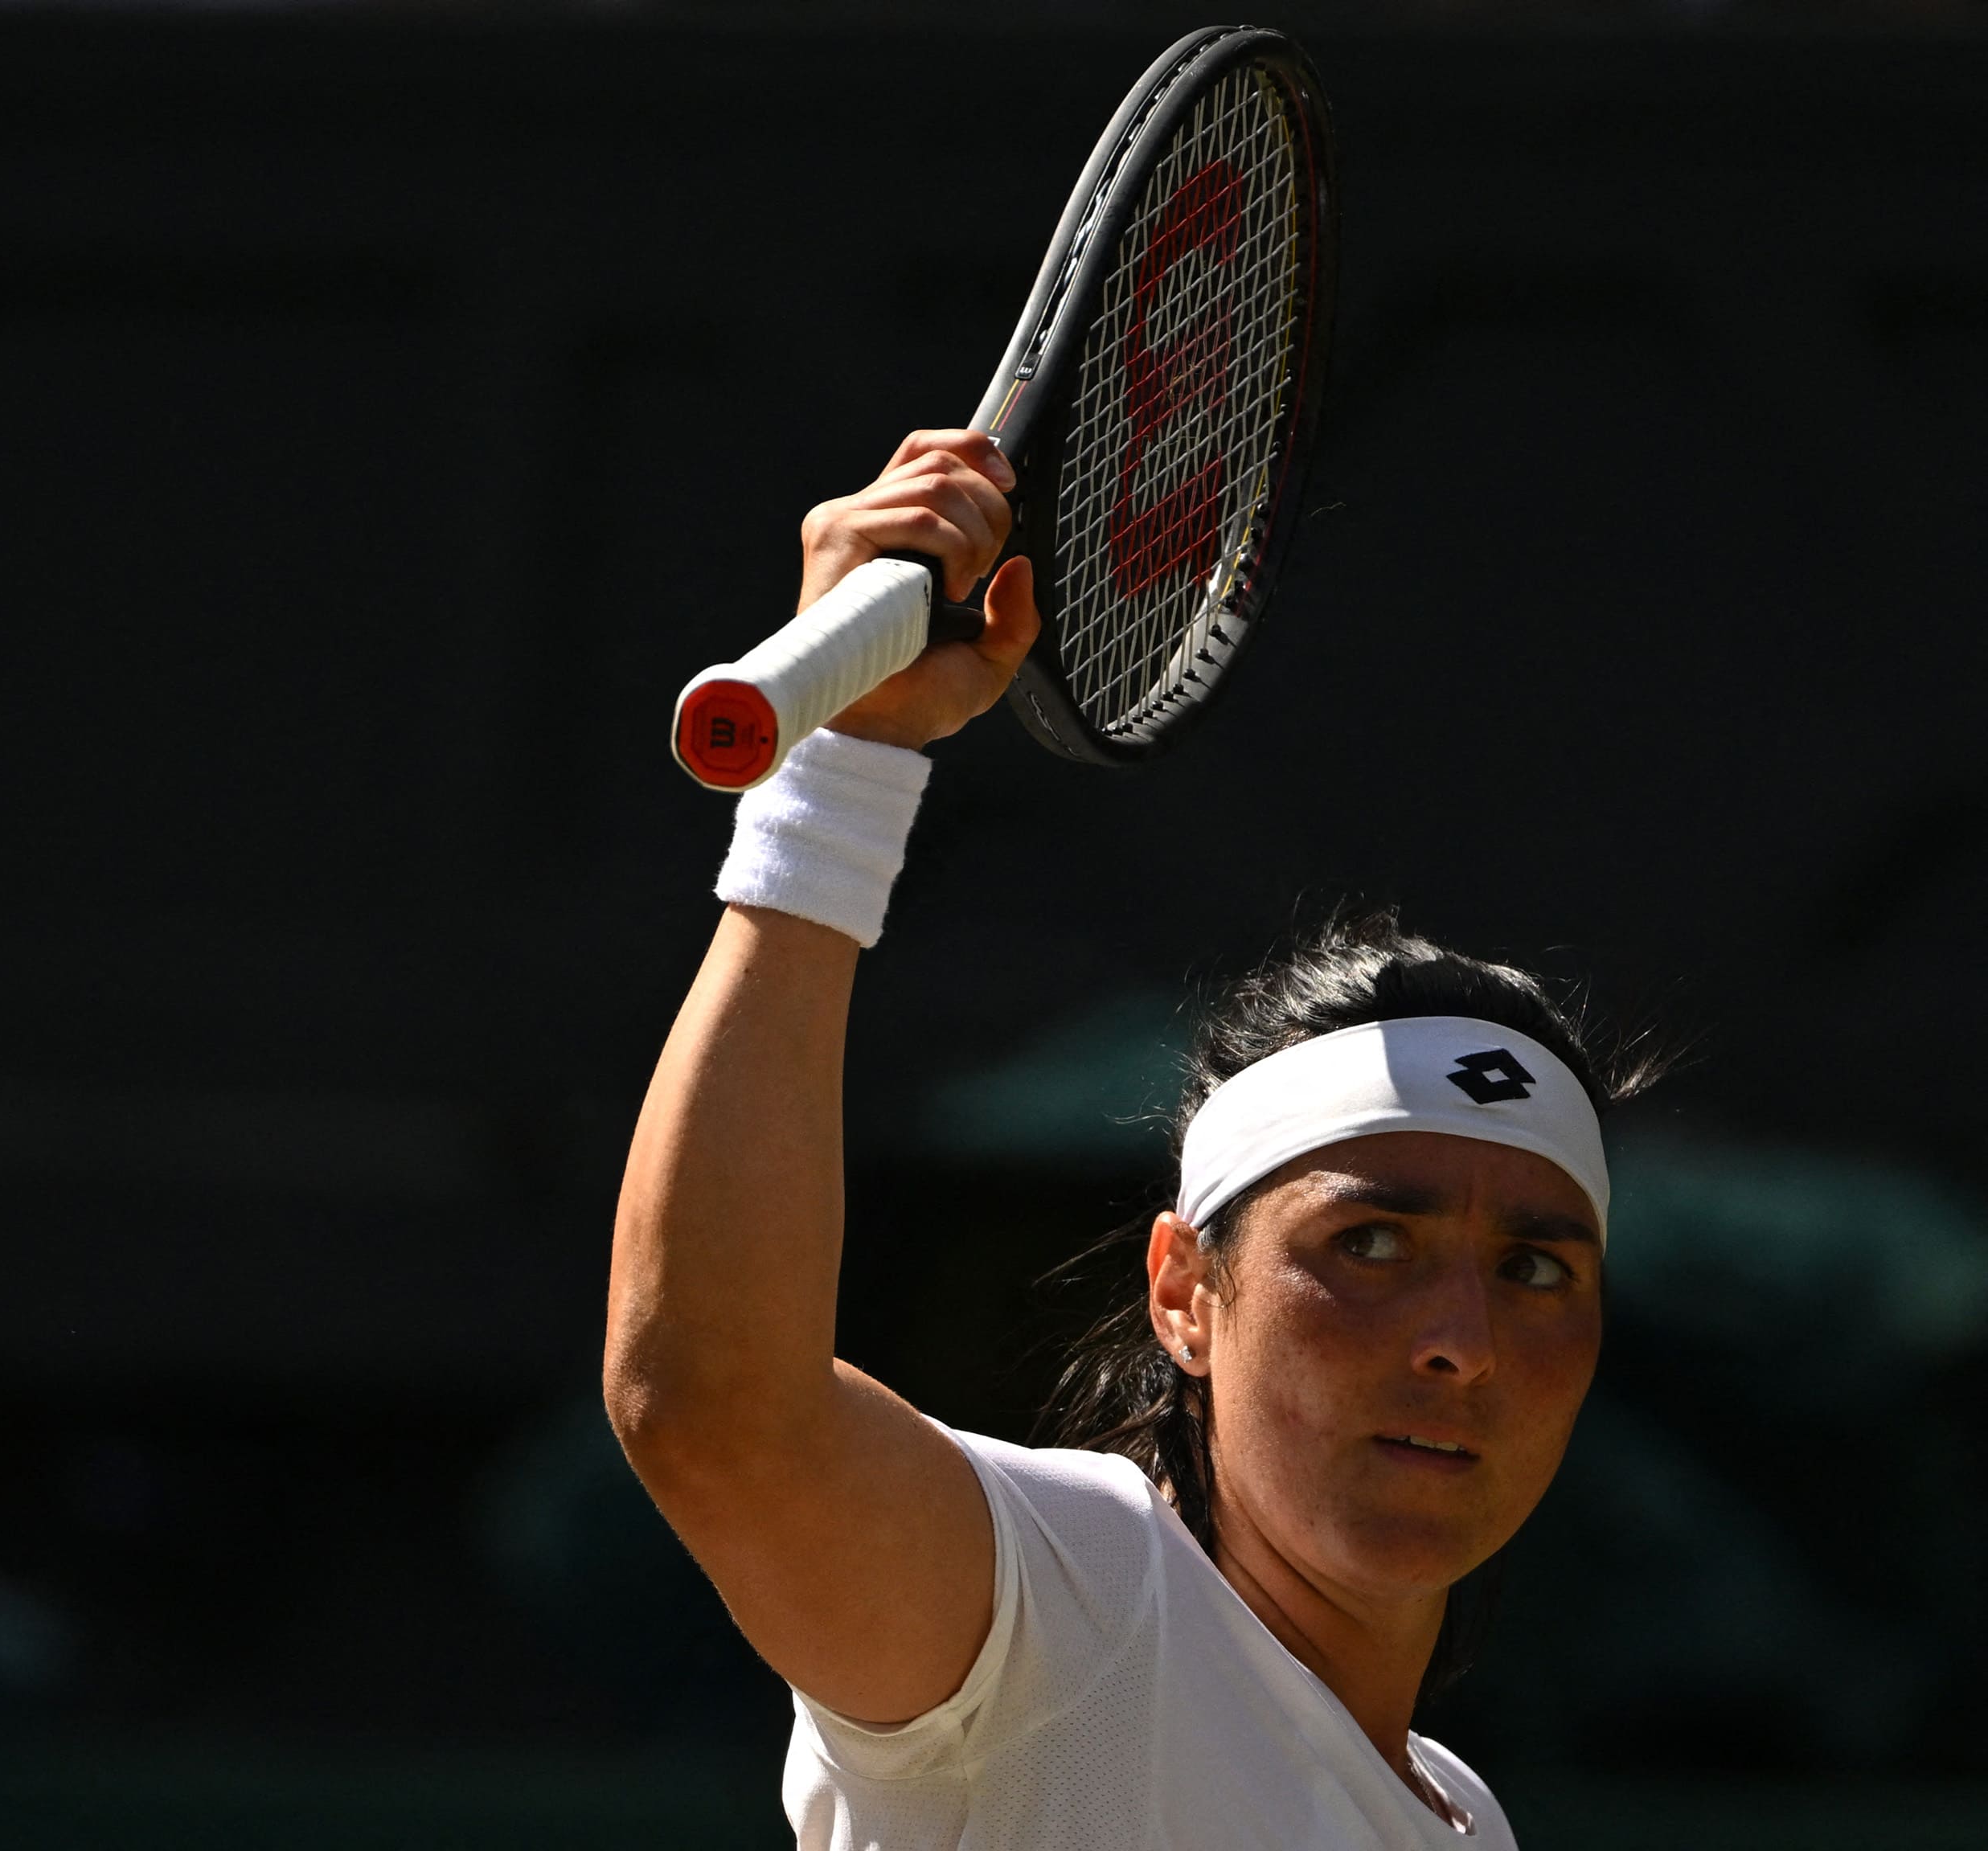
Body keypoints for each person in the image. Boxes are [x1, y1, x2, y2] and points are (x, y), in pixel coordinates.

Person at [605, 430, 1654, 1848]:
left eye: (1533, 1270)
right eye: (1370, 1241)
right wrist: (839, 771)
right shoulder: (1066, 1607)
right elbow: (713, 1408)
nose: (1457, 1340)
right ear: (1182, 1295)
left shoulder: (1460, 1820)